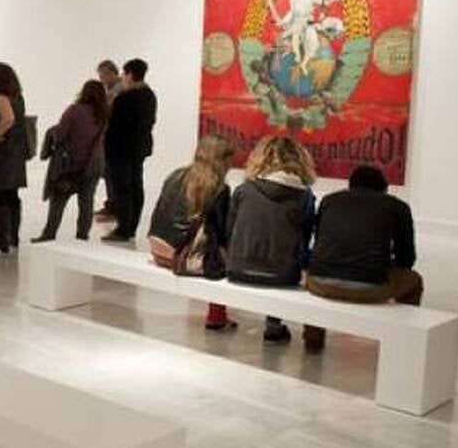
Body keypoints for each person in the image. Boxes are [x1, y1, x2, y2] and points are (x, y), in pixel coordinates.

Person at [304, 165, 423, 351]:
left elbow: (319, 244)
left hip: (318, 282)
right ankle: (401, 343)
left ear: (350, 185)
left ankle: (313, 340)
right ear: (384, 188)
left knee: (319, 269)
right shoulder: (397, 207)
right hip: (369, 285)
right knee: (414, 281)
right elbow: (407, 259)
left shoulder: (329, 200)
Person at [226, 135, 318, 345]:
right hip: (283, 275)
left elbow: (230, 232)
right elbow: (305, 238)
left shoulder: (244, 190)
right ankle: (274, 326)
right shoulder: (304, 196)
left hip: (238, 269)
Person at [147, 135, 235, 329]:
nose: (232, 163)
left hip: (157, 248)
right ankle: (217, 315)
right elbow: (222, 233)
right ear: (220, 159)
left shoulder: (176, 175)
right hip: (181, 257)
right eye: (229, 157)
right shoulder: (218, 188)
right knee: (223, 254)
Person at [32, 80, 107, 243]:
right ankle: (82, 236)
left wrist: (52, 132)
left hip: (70, 165)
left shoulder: (74, 110)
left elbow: (60, 135)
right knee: (86, 202)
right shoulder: (104, 115)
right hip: (94, 164)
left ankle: (49, 233)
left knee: (58, 200)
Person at [103, 58, 157, 242]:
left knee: (122, 189)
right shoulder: (150, 95)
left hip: (121, 150)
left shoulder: (124, 99)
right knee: (136, 186)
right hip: (139, 148)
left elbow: (113, 127)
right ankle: (131, 226)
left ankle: (123, 229)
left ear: (130, 74)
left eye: (124, 74)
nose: (122, 78)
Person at [0, 62, 29, 253]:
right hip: (16, 153)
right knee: (12, 196)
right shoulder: (18, 97)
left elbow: (8, 119)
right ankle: (13, 237)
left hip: (1, 154)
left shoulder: (0, 97)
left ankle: (1, 239)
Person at [93, 59, 122, 222]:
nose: (101, 78)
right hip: (109, 138)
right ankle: (112, 204)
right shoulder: (110, 90)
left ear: (112, 72)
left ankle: (115, 207)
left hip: (116, 140)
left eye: (103, 75)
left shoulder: (118, 90)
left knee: (113, 173)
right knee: (108, 173)